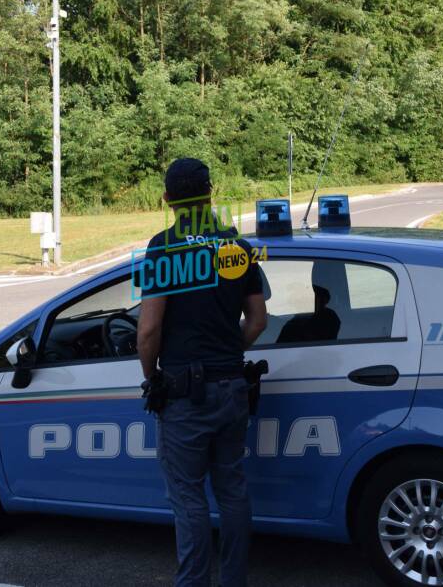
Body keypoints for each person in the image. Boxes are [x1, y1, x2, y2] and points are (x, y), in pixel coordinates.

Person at [137, 158, 268, 587]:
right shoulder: (237, 246)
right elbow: (258, 321)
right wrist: (231, 352)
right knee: (232, 490)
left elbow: (149, 328)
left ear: (168, 199)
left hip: (185, 393)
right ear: (211, 193)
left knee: (188, 497)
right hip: (232, 386)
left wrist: (150, 374)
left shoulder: (163, 247)